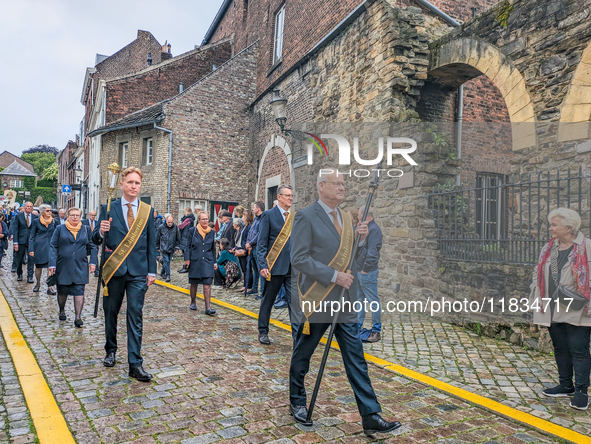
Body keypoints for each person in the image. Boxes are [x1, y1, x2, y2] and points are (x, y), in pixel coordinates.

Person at [289, 170, 401, 434]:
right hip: (318, 299)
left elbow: (353, 262)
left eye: (343, 183)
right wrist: (333, 275)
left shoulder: (347, 220)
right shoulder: (306, 216)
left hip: (346, 301)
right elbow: (299, 259)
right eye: (336, 183)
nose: (341, 187)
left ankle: (370, 415)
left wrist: (361, 241)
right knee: (303, 353)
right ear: (321, 186)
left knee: (356, 358)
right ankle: (297, 402)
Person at [94, 167, 157, 382]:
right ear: (121, 184)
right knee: (111, 313)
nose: (133, 186)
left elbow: (151, 243)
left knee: (135, 315)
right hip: (114, 270)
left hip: (138, 272)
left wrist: (152, 271)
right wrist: (101, 231)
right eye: (129, 182)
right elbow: (95, 239)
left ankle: (135, 364)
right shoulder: (108, 208)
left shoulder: (147, 211)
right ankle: (111, 350)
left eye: (137, 183)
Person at [530, 208, 591, 410]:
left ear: (569, 227)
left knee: (579, 349)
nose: (550, 228)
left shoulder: (587, 247)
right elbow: (537, 275)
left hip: (578, 307)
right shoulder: (549, 249)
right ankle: (566, 385)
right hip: (551, 306)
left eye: (554, 224)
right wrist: (535, 299)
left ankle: (582, 391)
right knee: (560, 347)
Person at [257, 184, 297, 345]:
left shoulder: (295, 217)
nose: (290, 198)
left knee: (294, 303)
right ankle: (263, 331)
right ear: (279, 197)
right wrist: (262, 265)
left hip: (292, 267)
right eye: (287, 195)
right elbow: (261, 243)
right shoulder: (268, 215)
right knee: (268, 300)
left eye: (292, 196)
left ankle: (297, 336)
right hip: (273, 266)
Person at [48, 207, 97, 327]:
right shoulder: (60, 229)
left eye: (77, 215)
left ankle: (78, 317)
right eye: (72, 215)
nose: (75, 217)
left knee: (79, 290)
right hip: (63, 265)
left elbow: (93, 245)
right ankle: (62, 310)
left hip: (81, 264)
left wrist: (93, 262)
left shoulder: (85, 229)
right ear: (68, 216)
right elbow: (53, 246)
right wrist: (52, 264)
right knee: (62, 291)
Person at [355, 206, 383, 343]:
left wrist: (365, 270)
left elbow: (373, 252)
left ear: (366, 215)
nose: (357, 215)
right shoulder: (364, 228)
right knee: (359, 300)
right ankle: (358, 327)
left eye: (359, 213)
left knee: (373, 302)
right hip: (360, 271)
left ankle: (376, 331)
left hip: (368, 272)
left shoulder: (374, 230)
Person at [184, 211, 216, 315]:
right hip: (195, 260)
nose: (206, 221)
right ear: (198, 220)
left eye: (207, 219)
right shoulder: (192, 231)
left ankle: (208, 307)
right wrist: (187, 259)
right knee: (194, 283)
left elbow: (213, 248)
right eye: (203, 219)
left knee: (207, 284)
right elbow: (187, 246)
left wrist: (214, 262)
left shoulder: (211, 232)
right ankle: (193, 302)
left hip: (207, 260)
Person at [29, 204, 60, 294]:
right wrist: (31, 249)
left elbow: (58, 234)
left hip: (51, 246)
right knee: (39, 267)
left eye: (50, 210)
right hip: (39, 246)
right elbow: (32, 236)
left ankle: (49, 287)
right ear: (42, 212)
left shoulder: (55, 221)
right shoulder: (36, 221)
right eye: (47, 211)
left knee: (51, 267)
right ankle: (38, 284)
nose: (50, 212)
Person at [13, 201, 37, 283]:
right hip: (21, 240)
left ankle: (30, 276)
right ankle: (19, 274)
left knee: (31, 259)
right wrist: (15, 242)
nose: (29, 208)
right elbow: (15, 229)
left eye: (31, 206)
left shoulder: (35, 217)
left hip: (31, 241)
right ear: (24, 207)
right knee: (19, 259)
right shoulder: (18, 216)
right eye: (27, 206)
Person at [245, 202, 265, 297]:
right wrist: (248, 243)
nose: (253, 209)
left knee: (261, 269)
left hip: (257, 247)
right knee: (255, 269)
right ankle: (254, 287)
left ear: (258, 209)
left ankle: (262, 291)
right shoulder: (255, 219)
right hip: (252, 247)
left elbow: (259, 234)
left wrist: (250, 243)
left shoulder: (263, 219)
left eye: (254, 207)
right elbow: (251, 232)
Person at [156, 213, 180, 282]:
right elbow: (157, 237)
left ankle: (162, 272)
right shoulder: (161, 227)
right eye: (169, 222)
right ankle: (168, 275)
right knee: (166, 261)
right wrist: (157, 247)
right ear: (166, 221)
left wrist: (177, 247)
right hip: (164, 247)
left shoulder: (175, 227)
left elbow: (177, 237)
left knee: (168, 262)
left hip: (171, 247)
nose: (170, 223)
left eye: (171, 222)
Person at [237, 210, 253, 293]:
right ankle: (245, 285)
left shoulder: (249, 227)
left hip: (244, 250)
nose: (242, 217)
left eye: (243, 216)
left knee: (247, 269)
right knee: (243, 269)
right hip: (240, 249)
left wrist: (244, 248)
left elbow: (247, 239)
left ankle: (249, 286)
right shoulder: (244, 227)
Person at [177, 207, 195, 273]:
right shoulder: (190, 219)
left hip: (186, 237)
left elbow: (181, 226)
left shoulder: (188, 219)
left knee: (186, 253)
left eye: (184, 211)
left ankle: (186, 267)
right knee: (186, 253)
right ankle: (186, 267)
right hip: (186, 236)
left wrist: (174, 226)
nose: (183, 213)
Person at [82, 210, 99, 277]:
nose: (93, 217)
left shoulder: (97, 223)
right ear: (89, 215)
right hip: (86, 242)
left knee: (95, 255)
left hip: (95, 241)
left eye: (94, 215)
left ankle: (96, 270)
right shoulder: (84, 222)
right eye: (92, 215)